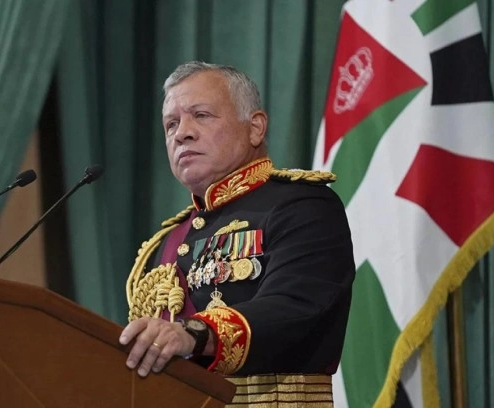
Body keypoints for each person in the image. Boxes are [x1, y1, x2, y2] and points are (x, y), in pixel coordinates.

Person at [119, 61, 355, 407]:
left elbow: (295, 307)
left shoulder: (302, 205)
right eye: (171, 124)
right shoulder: (168, 240)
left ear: (255, 128)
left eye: (201, 115)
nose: (182, 133)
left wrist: (195, 333)